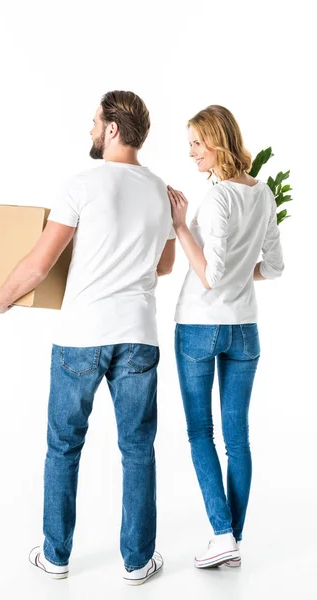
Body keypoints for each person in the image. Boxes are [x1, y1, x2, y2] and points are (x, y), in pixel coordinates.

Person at [0, 90, 175, 585]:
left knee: (64, 446)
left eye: (95, 122)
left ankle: (56, 557)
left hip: (80, 335)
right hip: (138, 335)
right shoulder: (161, 191)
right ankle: (137, 561)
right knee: (137, 448)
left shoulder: (82, 185)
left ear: (113, 128)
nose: (90, 130)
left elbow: (39, 263)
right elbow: (166, 264)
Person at [167, 105, 284, 569]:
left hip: (199, 324)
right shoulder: (263, 194)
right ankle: (231, 540)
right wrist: (239, 272)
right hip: (244, 329)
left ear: (217, 142)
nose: (191, 153)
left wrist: (180, 225)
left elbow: (211, 276)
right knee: (238, 439)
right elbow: (273, 267)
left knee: (201, 432)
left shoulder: (216, 199)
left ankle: (221, 534)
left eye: (197, 143)